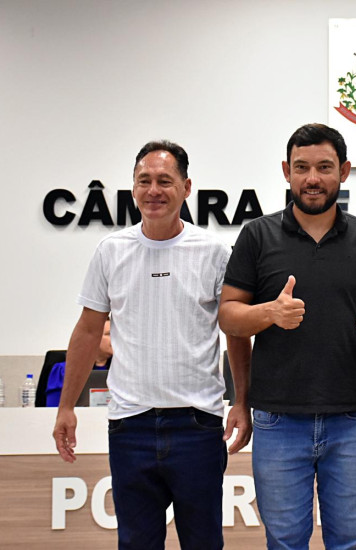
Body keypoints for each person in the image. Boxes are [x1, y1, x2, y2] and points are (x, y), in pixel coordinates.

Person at [52, 140, 253, 550]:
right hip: (131, 426)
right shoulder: (111, 251)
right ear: (133, 188)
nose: (153, 190)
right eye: (144, 181)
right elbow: (88, 332)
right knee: (136, 544)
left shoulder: (213, 252)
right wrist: (66, 406)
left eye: (165, 180)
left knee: (204, 543)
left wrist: (242, 401)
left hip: (197, 425)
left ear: (186, 187)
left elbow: (235, 331)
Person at [218, 123, 356, 550]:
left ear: (344, 171)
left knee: (349, 542)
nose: (313, 178)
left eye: (325, 167)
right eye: (302, 167)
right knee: (285, 543)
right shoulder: (257, 235)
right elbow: (229, 318)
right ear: (286, 171)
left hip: (351, 419)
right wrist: (270, 312)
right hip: (277, 421)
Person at [46, 317, 113, 406]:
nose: (116, 339)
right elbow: (52, 411)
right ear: (93, 338)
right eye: (109, 334)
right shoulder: (63, 370)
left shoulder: (122, 371)